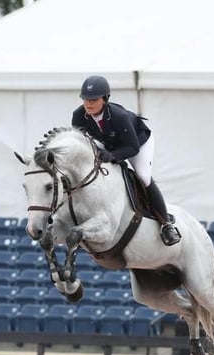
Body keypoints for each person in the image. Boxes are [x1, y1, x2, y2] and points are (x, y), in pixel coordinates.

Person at [71, 75, 181, 246]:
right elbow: (80, 142)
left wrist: (113, 156)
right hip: (108, 142)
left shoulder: (119, 116)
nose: (88, 103)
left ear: (105, 99)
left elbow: (132, 148)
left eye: (93, 99)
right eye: (85, 99)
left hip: (137, 141)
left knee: (143, 176)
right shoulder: (78, 116)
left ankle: (166, 224)